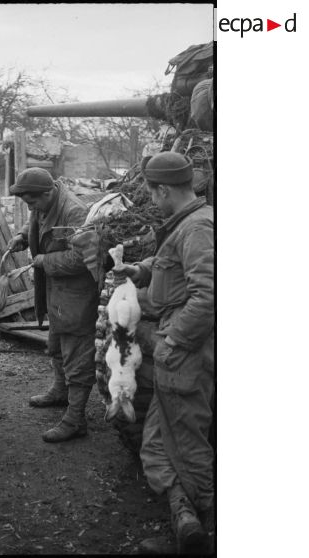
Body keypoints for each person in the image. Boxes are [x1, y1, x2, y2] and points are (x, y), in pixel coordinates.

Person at [117, 152, 214, 554]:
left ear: (163, 189)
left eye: (152, 193)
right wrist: (141, 270)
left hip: (185, 349)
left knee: (188, 445)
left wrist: (172, 343)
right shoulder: (188, 224)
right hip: (178, 347)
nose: (152, 200)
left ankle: (211, 535)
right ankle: (184, 522)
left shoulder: (197, 227)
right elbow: (172, 265)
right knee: (157, 441)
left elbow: (208, 295)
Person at [8, 168, 98, 443]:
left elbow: (83, 259)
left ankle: (75, 419)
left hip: (77, 295)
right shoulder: (45, 203)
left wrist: (44, 262)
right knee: (56, 345)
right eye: (27, 204)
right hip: (56, 291)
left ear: (47, 193)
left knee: (78, 355)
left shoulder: (75, 213)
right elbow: (37, 218)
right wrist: (23, 236)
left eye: (32, 202)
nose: (31, 208)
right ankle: (60, 390)